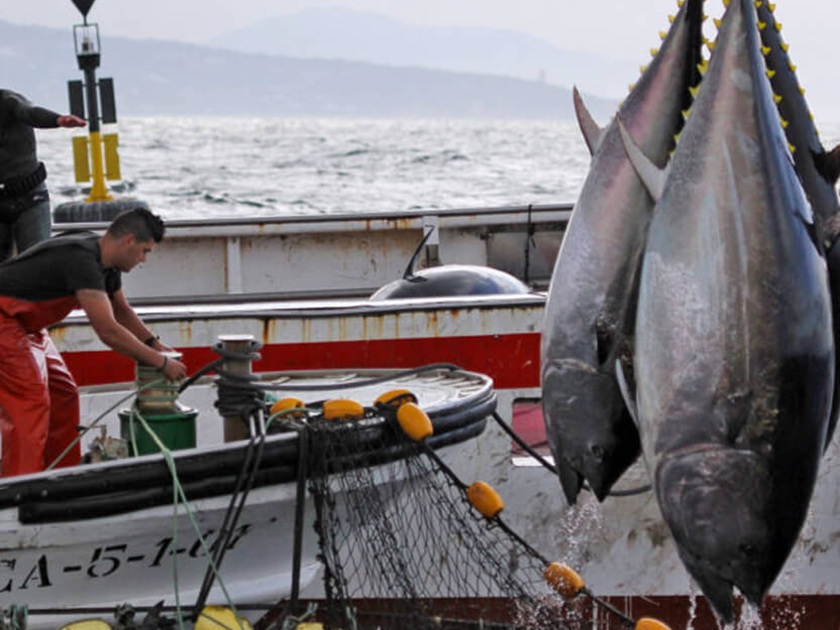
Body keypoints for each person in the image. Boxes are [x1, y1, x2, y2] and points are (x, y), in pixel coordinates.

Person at [0, 205, 187, 477]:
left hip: (27, 325)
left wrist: (154, 344)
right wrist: (161, 363)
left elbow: (121, 311)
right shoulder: (82, 261)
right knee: (30, 401)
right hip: (5, 319)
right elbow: (107, 330)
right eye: (144, 251)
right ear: (128, 241)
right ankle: (19, 487)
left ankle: (58, 477)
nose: (143, 260)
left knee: (64, 392)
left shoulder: (105, 261)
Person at [0, 89, 87, 261]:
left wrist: (57, 120)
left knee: (38, 261)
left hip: (30, 196)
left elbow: (30, 112)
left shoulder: (8, 101)